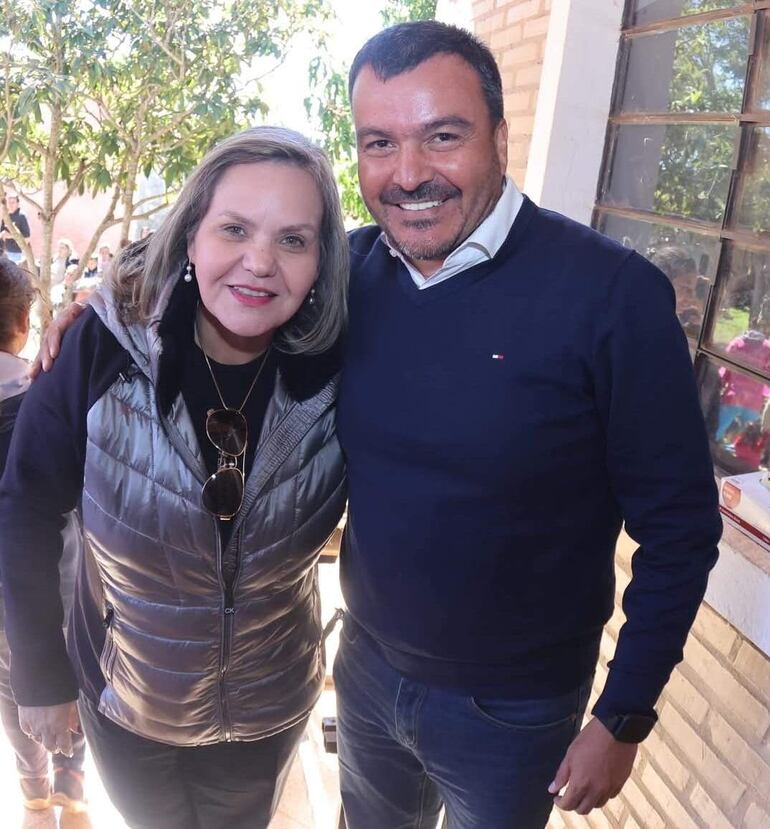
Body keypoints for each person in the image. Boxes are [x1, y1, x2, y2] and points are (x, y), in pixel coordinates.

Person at [32, 22, 723, 829]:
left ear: (500, 137)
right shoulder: (350, 277)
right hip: (364, 674)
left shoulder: (612, 297)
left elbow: (680, 529)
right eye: (379, 143)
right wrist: (105, 305)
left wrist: (625, 712)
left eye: (443, 136)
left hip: (513, 711)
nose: (410, 173)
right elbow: (231, 244)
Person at [0, 126, 349, 829]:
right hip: (128, 702)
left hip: (266, 708)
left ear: (322, 260)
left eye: (293, 239)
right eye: (234, 228)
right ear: (191, 234)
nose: (260, 262)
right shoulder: (101, 347)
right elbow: (25, 505)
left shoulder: (348, 365)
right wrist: (39, 671)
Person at [0, 258, 92, 829]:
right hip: (59, 581)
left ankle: (32, 790)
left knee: (11, 687)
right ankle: (72, 783)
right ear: (24, 322)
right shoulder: (46, 395)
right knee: (65, 668)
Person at [0, 194, 32, 265]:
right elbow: (2, 233)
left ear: (17, 204)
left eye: (13, 202)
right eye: (9, 202)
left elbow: (27, 237)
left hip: (17, 254)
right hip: (6, 253)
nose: (11, 205)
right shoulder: (6, 216)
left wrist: (10, 236)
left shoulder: (21, 216)